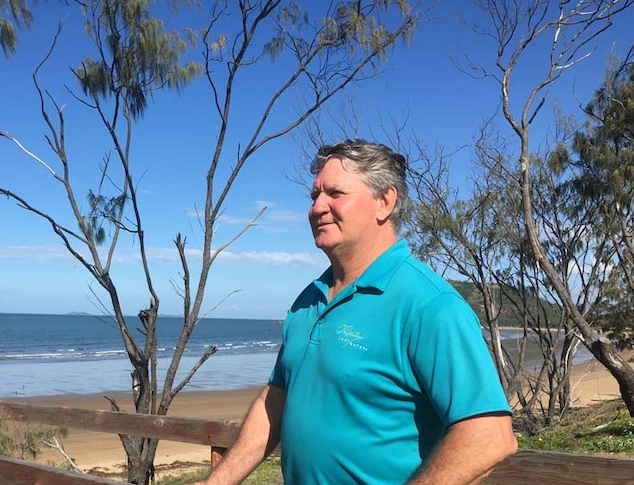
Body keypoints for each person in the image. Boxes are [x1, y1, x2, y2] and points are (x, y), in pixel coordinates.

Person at [193, 140, 517, 484]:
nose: (318, 207)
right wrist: (218, 480)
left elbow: (489, 436)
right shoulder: (308, 299)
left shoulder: (429, 305)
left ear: (384, 202)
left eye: (335, 193)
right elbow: (276, 399)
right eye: (314, 195)